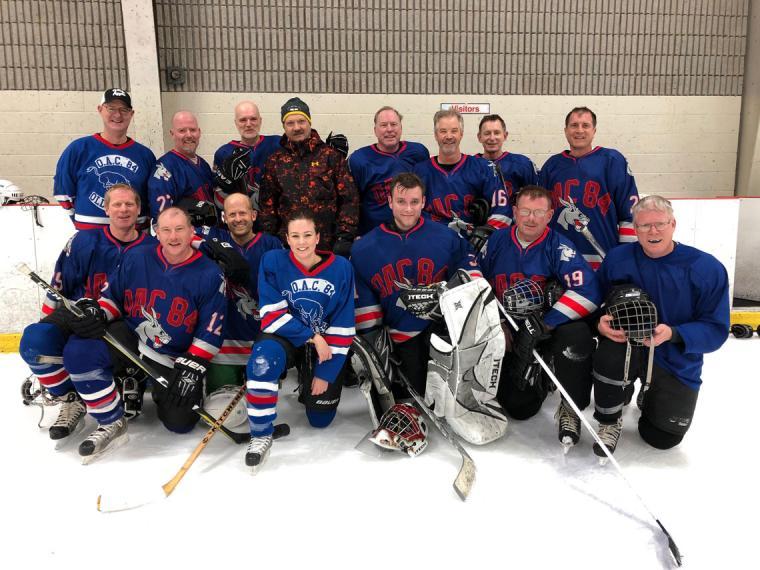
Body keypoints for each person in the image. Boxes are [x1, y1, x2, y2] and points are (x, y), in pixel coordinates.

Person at [59, 207, 227, 460]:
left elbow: (211, 331)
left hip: (171, 356)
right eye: (166, 230)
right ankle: (111, 421)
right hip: (131, 337)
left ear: (191, 232)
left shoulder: (209, 273)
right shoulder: (137, 257)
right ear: (156, 232)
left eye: (180, 229)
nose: (173, 236)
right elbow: (112, 298)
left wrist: (193, 365)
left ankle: (143, 382)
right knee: (81, 348)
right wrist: (99, 314)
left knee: (180, 423)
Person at [589, 195, 729, 456]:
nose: (652, 231)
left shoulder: (705, 268)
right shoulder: (618, 259)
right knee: (608, 355)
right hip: (625, 346)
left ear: (673, 224)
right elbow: (594, 301)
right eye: (644, 226)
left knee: (662, 438)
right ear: (635, 228)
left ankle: (650, 396)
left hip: (673, 356)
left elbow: (716, 329)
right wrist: (600, 324)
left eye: (660, 224)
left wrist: (674, 334)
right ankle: (611, 416)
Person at [19, 184, 156, 442]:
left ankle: (110, 417)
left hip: (124, 321)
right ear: (106, 209)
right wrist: (47, 325)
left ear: (139, 209)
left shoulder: (152, 248)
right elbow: (59, 286)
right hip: (78, 312)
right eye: (117, 204)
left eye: (129, 204)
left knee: (80, 351)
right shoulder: (84, 241)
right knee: (35, 341)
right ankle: (71, 398)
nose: (123, 209)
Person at [479, 185, 600, 428]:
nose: (531, 218)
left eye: (538, 212)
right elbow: (476, 283)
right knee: (504, 399)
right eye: (525, 211)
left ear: (550, 215)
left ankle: (548, 369)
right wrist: (497, 322)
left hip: (539, 333)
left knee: (522, 407)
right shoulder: (496, 241)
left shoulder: (559, 247)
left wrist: (545, 324)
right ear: (514, 211)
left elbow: (589, 292)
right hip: (504, 328)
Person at [350, 172, 482, 396]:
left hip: (442, 330)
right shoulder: (364, 249)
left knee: (451, 393)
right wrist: (375, 346)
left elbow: (470, 273)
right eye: (401, 202)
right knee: (415, 393)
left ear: (423, 202)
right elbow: (366, 307)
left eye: (414, 202)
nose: (408, 209)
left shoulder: (446, 237)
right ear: (390, 202)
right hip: (400, 336)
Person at [245, 210, 355, 469]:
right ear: (287, 238)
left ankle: (308, 376)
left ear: (318, 237)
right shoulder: (272, 261)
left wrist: (325, 373)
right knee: (262, 362)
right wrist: (312, 336)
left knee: (320, 420)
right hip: (286, 336)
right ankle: (260, 435)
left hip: (325, 344)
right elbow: (271, 316)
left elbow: (343, 325)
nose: (301, 242)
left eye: (307, 235)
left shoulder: (341, 268)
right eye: (295, 236)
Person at [194, 193, 283, 390]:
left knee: (260, 402)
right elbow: (178, 231)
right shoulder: (214, 239)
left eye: (242, 213)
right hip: (224, 341)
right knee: (220, 407)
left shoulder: (271, 244)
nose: (238, 219)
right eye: (231, 214)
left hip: (262, 336)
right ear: (224, 218)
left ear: (253, 215)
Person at [538, 106, 639, 270]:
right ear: (565, 130)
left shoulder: (612, 161)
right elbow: (541, 216)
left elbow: (630, 214)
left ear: (594, 130)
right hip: (558, 260)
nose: (579, 130)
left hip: (603, 261)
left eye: (585, 125)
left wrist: (626, 257)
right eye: (574, 125)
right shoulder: (552, 166)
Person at [258, 97, 359, 254]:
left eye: (301, 121)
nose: (297, 127)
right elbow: (267, 205)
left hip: (328, 246)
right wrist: (271, 239)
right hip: (289, 247)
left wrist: (344, 237)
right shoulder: (275, 161)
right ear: (284, 126)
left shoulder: (330, 156)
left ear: (309, 122)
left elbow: (349, 199)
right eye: (290, 123)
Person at [54, 88, 156, 229]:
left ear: (131, 114)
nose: (117, 115)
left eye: (124, 110)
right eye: (111, 108)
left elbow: (152, 199)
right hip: (92, 238)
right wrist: (83, 221)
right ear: (100, 109)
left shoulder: (145, 156)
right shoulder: (78, 149)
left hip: (134, 240)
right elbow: (63, 191)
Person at [413, 109, 503, 227]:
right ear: (436, 135)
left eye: (454, 131)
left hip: (472, 242)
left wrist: (485, 235)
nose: (449, 136)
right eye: (443, 131)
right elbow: (411, 211)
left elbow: (502, 209)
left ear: (461, 133)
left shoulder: (483, 168)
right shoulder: (419, 171)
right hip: (433, 240)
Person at [348, 106, 429, 235]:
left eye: (394, 124)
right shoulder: (360, 159)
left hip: (413, 231)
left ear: (401, 128)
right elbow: (351, 201)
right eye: (384, 125)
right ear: (375, 130)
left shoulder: (418, 152)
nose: (389, 129)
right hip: (375, 234)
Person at [212, 100, 280, 212]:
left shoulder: (277, 144)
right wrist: (226, 185)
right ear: (236, 123)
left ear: (260, 121)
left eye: (253, 119)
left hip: (273, 221)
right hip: (241, 221)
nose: (248, 124)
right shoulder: (223, 153)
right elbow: (218, 202)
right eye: (243, 120)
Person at [148, 111, 214, 223]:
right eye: (182, 131)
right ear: (172, 133)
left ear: (199, 132)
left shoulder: (203, 164)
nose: (189, 135)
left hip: (209, 234)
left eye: (192, 130)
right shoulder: (164, 168)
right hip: (186, 237)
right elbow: (162, 218)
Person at [475, 114, 538, 227]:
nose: (492, 138)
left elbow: (538, 198)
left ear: (505, 135)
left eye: (497, 133)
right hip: (479, 230)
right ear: (479, 137)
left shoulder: (522, 164)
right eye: (487, 133)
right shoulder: (471, 165)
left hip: (516, 230)